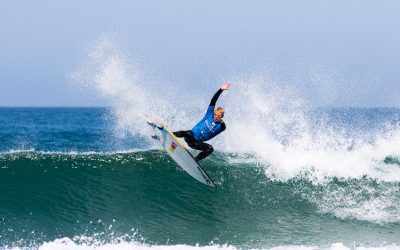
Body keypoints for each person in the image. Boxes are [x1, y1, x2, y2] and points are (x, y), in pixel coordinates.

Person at [173, 83, 231, 161]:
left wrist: (221, 122)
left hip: (196, 144)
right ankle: (172, 134)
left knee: (210, 149)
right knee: (188, 133)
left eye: (218, 116)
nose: (216, 116)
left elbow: (224, 127)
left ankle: (195, 160)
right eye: (215, 114)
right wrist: (221, 89)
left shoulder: (220, 127)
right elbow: (213, 100)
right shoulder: (210, 114)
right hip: (190, 137)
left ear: (221, 117)